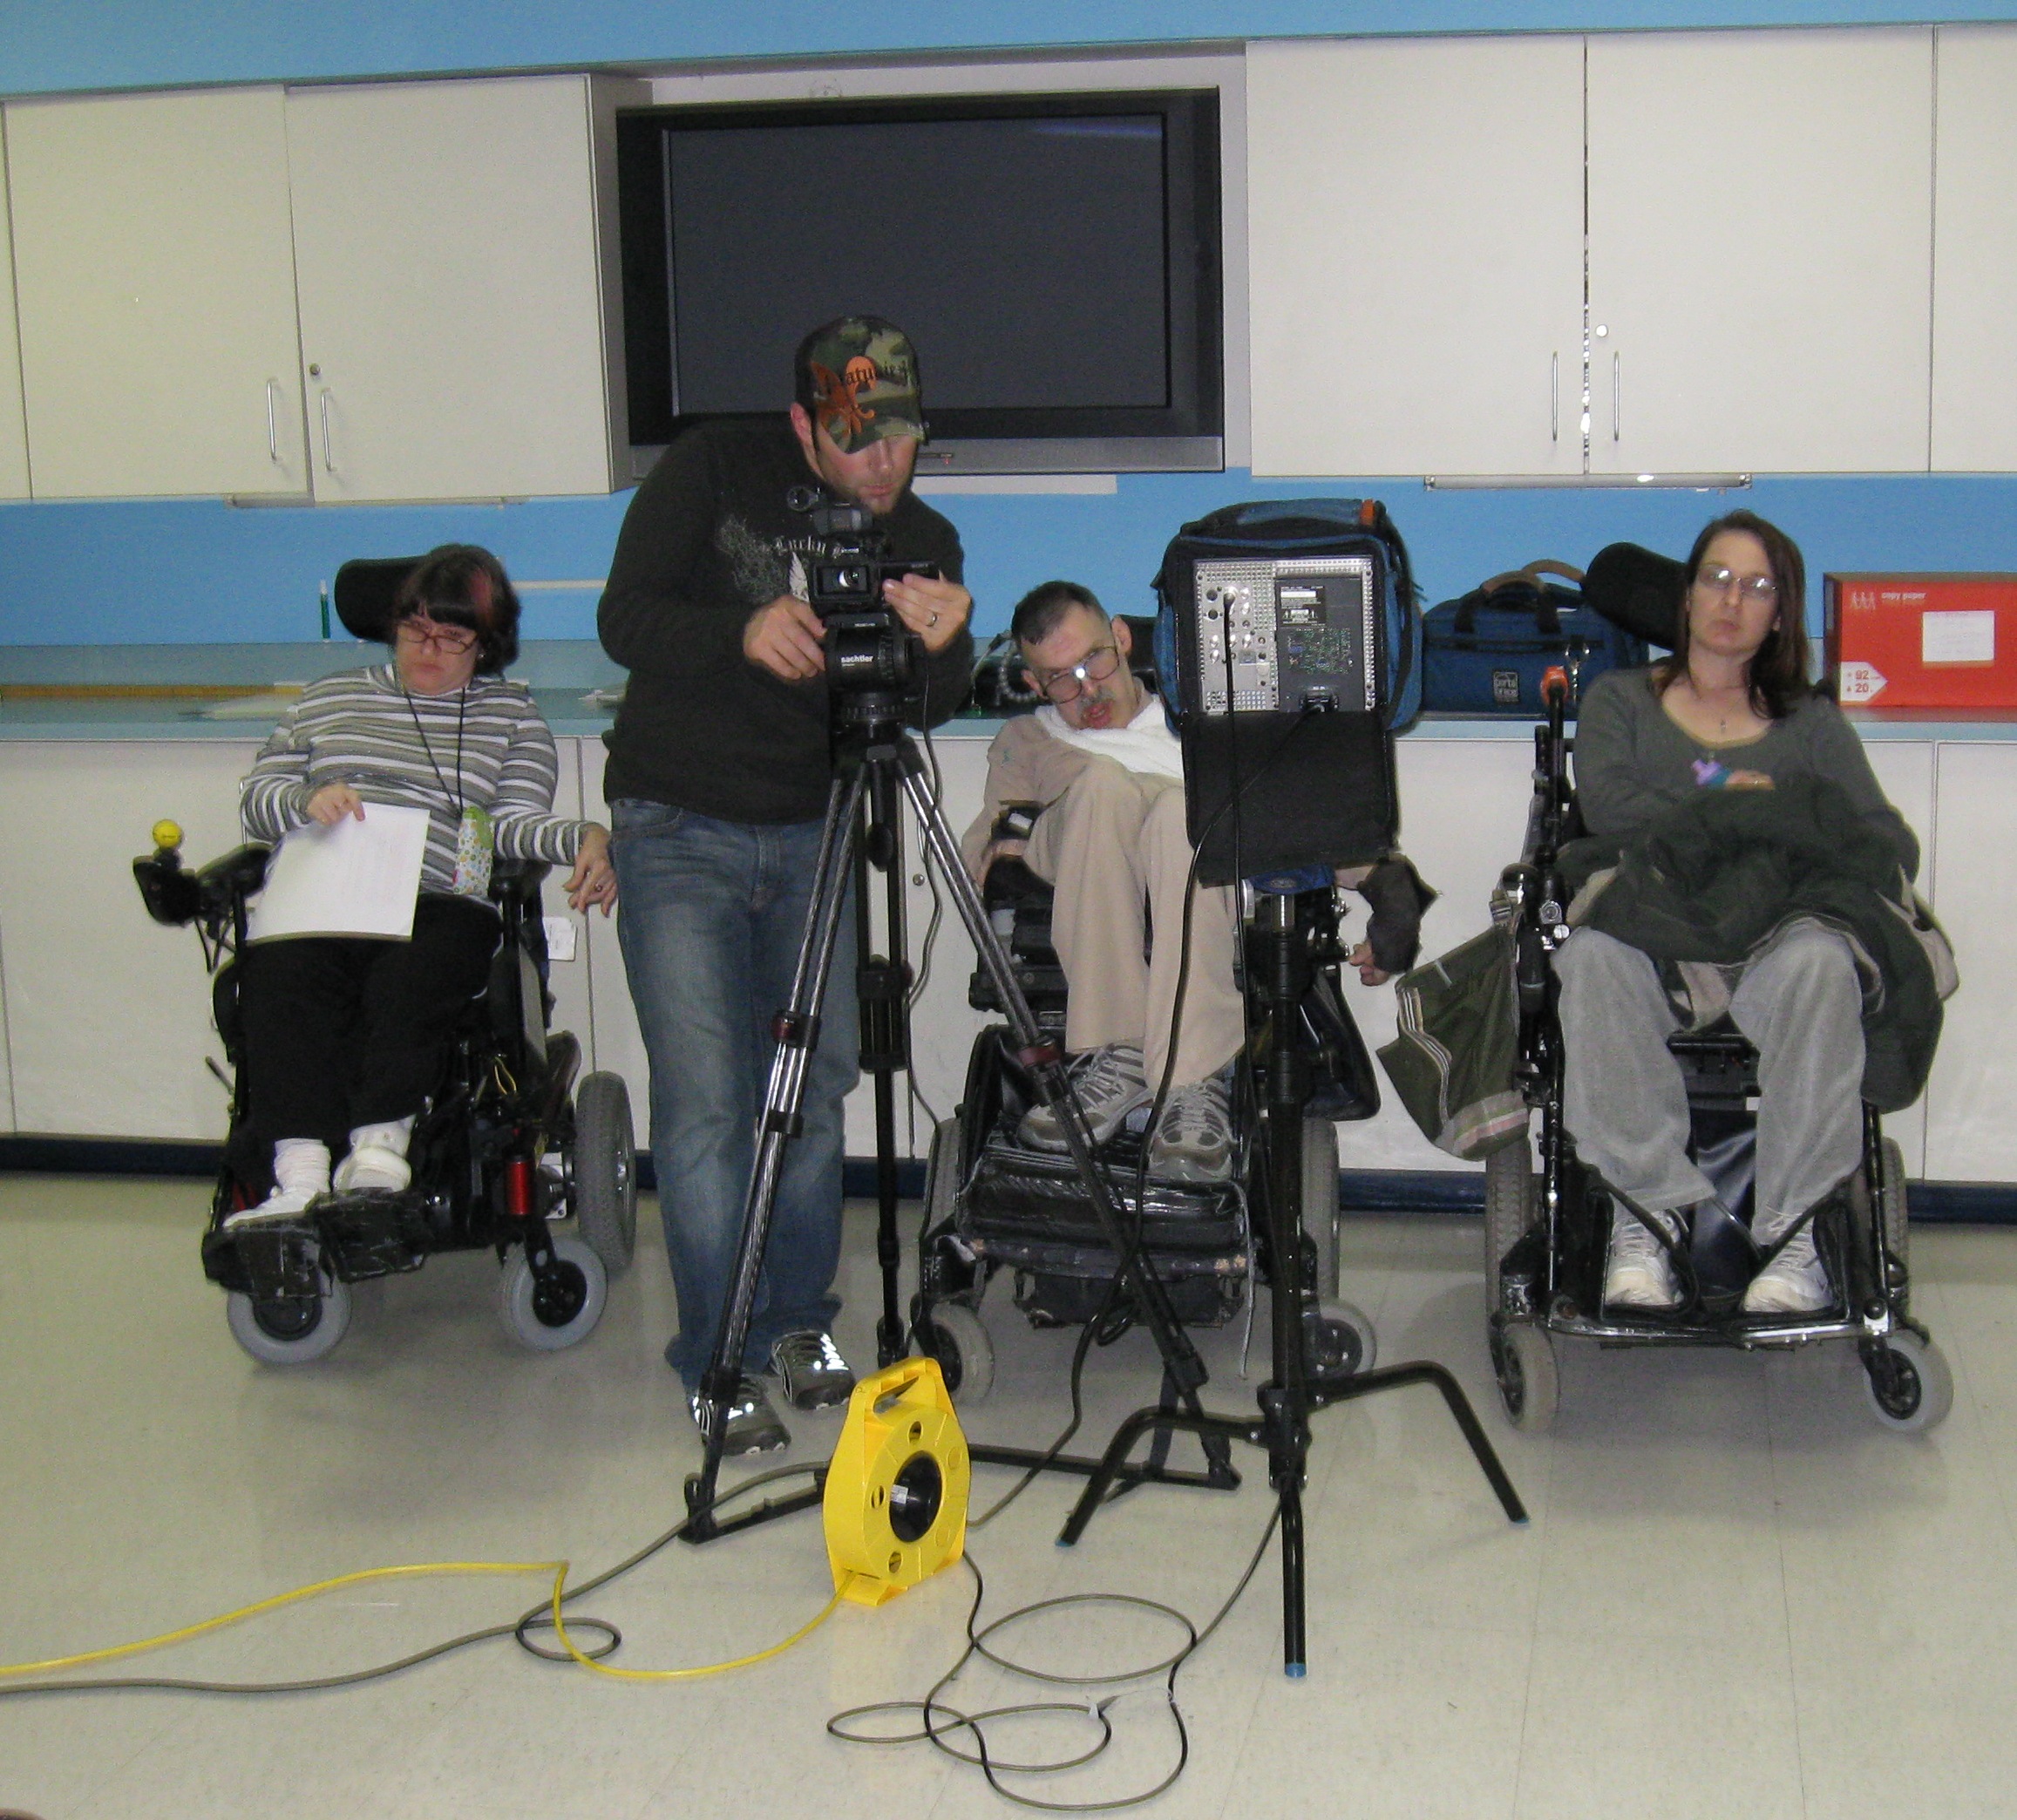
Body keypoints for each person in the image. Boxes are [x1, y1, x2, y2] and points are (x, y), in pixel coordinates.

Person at [598, 316, 974, 1454]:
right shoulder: (711, 469)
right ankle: (715, 1357)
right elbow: (624, 621)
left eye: (899, 441)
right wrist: (739, 629)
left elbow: (927, 704)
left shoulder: (925, 532)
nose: (880, 467)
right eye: (856, 443)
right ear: (804, 423)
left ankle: (799, 1323)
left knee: (812, 1097)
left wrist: (950, 645)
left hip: (814, 834)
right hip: (677, 826)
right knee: (712, 1105)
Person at [1559, 509, 1921, 1315]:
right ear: (1685, 597)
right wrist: (1759, 801)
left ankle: (1796, 1240)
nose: (1732, 600)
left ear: (1780, 614)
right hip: (1656, 937)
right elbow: (1610, 808)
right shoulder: (1619, 701)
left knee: (1823, 960)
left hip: (1775, 941)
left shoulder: (1812, 724)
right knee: (1588, 958)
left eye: (1757, 587)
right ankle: (1645, 1218)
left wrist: (1712, 810)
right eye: (1716, 579)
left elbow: (1883, 842)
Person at [961, 581, 1406, 1182]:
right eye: (1059, 679)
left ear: (1121, 637)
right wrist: (1003, 840)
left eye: (1093, 659)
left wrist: (1389, 888)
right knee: (1105, 787)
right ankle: (1117, 1051)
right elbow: (987, 842)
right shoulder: (1033, 738)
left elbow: (1301, 819)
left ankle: (1192, 1077)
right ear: (1037, 685)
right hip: (1078, 839)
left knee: (1179, 811)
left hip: (1193, 862)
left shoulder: (1200, 728)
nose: (1085, 689)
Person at [228, 544, 616, 1226]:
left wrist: (585, 836)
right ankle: (299, 1173)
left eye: (452, 636)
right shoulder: (327, 699)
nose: (428, 649)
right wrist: (303, 798)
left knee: (414, 972)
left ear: (487, 644)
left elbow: (515, 824)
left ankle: (380, 1150)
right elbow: (256, 797)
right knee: (277, 973)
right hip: (323, 896)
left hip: (435, 898)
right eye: (415, 630)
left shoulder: (512, 719)